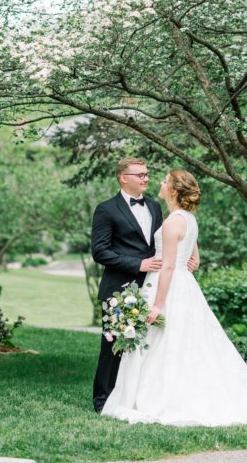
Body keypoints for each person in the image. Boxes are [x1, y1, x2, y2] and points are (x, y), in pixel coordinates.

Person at [101, 169, 247, 429]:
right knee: (184, 343)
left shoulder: (171, 221)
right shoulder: (187, 218)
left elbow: (167, 267)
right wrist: (191, 257)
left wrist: (157, 304)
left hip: (168, 286)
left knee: (165, 343)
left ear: (174, 190)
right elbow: (191, 253)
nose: (160, 182)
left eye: (165, 180)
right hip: (185, 286)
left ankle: (157, 397)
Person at [90, 157, 164, 413]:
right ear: (124, 177)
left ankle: (134, 397)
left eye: (147, 173)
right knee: (113, 346)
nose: (146, 178)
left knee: (147, 346)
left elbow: (160, 244)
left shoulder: (155, 207)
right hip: (119, 288)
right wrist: (138, 264)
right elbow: (99, 252)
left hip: (151, 287)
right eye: (140, 174)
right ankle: (102, 401)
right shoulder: (106, 209)